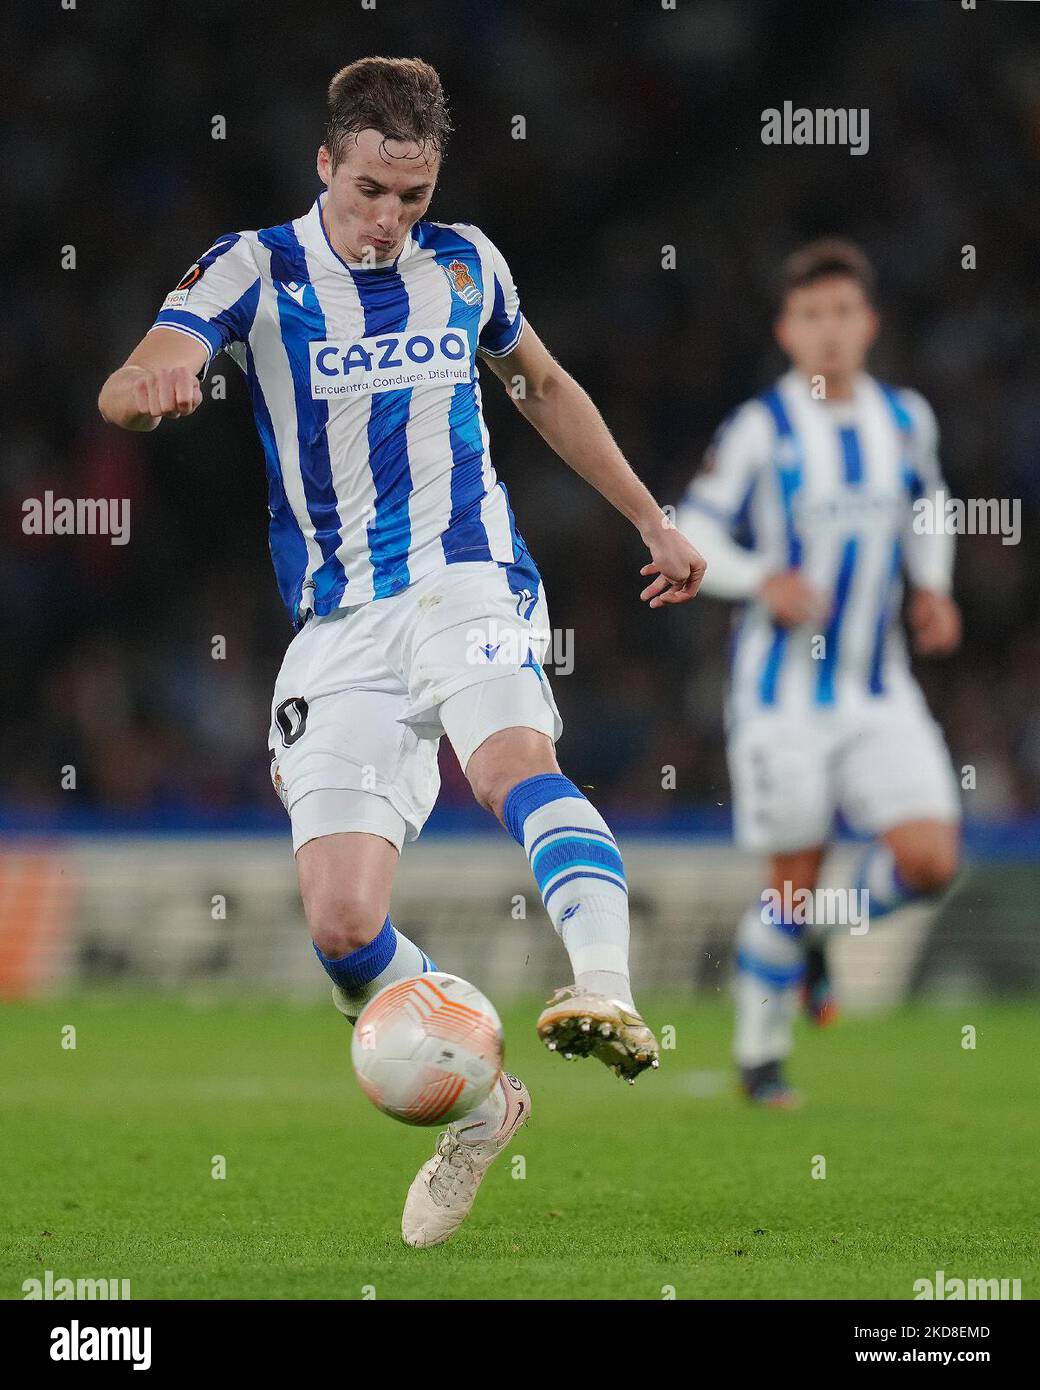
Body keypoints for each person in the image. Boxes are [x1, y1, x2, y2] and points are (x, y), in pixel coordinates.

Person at [98, 56, 705, 1243]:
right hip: (337, 627)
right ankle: (483, 1105)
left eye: (412, 197)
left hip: (464, 576)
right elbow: (133, 375)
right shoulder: (253, 266)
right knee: (338, 930)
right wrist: (153, 383)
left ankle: (607, 990)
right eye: (371, 189)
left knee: (510, 761)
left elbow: (540, 385)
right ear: (326, 163)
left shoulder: (467, 264)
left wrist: (649, 515)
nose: (389, 220)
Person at [677, 239, 960, 1107]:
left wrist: (934, 587)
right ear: (786, 331)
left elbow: (930, 505)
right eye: (812, 316)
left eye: (843, 313)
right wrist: (764, 578)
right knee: (791, 885)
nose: (830, 332)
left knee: (930, 860)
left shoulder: (906, 419)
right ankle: (761, 1060)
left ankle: (810, 941)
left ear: (868, 323)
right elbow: (693, 527)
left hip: (880, 690)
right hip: (782, 697)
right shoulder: (762, 426)